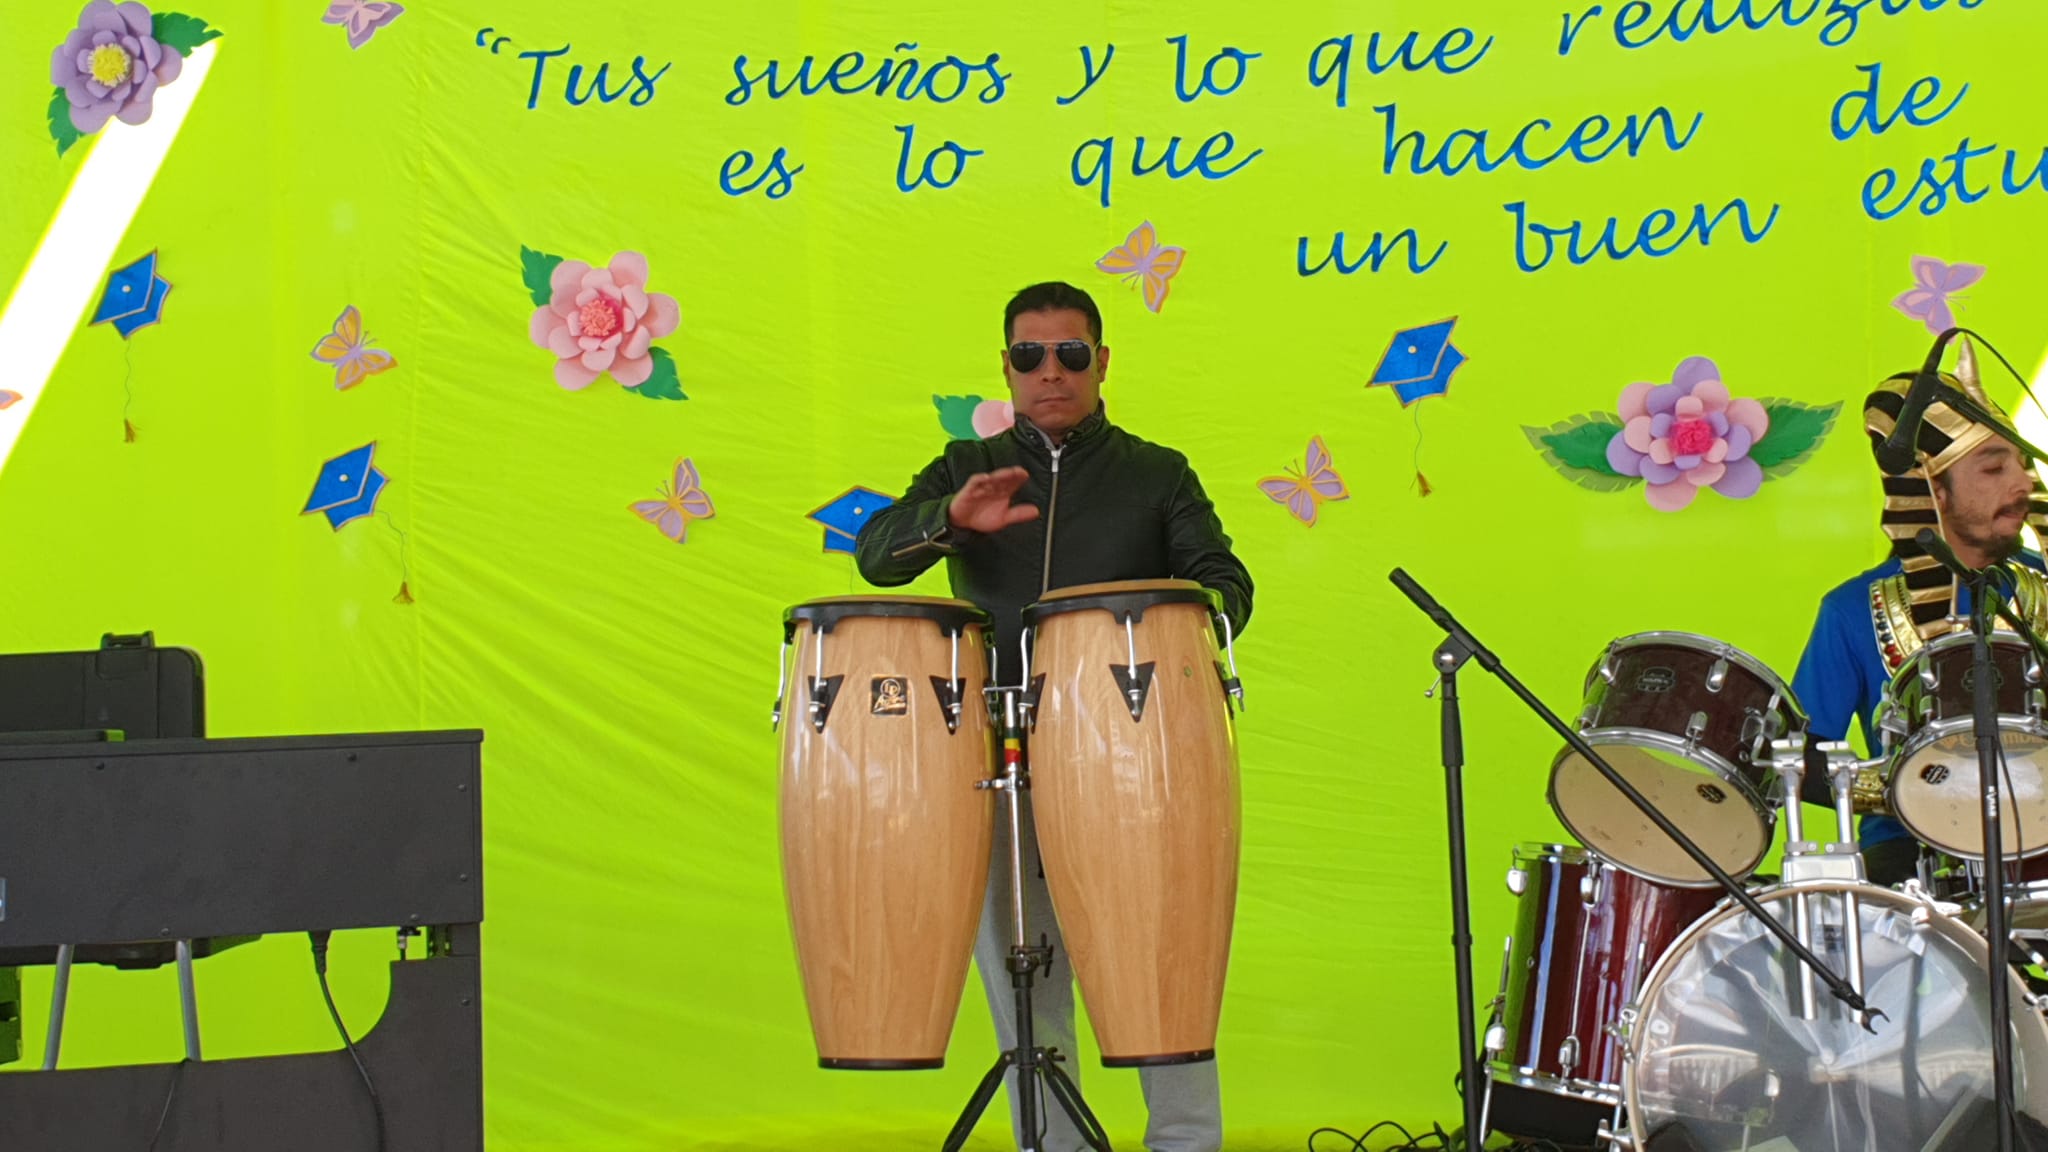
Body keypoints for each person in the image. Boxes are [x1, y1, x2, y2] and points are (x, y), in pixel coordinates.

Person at [855, 281, 1252, 1152]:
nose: (1051, 372)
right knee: (1019, 973)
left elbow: (1224, 582)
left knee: (1161, 958)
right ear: (1006, 366)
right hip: (992, 756)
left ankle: (1186, 1141)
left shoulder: (1157, 473)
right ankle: (1056, 1143)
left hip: (1132, 758)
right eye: (1030, 355)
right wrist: (949, 521)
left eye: (1071, 354)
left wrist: (1175, 619)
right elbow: (876, 557)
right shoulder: (965, 466)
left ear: (1101, 362)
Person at [1792, 342, 2048, 885]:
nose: (2022, 483)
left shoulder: (2042, 584)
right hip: (1910, 853)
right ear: (1935, 491)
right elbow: (1800, 755)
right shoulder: (1851, 610)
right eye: (1994, 468)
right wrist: (1911, 789)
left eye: (2021, 463)